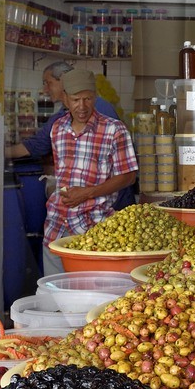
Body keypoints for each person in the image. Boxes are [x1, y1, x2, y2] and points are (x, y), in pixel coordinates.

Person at [38, 68, 138, 277]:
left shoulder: (114, 130)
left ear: (95, 97)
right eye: (75, 99)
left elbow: (128, 176)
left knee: (88, 295)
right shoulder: (57, 128)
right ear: (65, 98)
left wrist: (87, 193)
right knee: (54, 297)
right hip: (56, 224)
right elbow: (62, 172)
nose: (82, 106)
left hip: (93, 227)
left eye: (88, 99)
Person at [5, 61, 119, 163]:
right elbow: (36, 144)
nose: (45, 90)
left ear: (65, 79)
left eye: (48, 83)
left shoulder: (98, 107)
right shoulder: (60, 116)